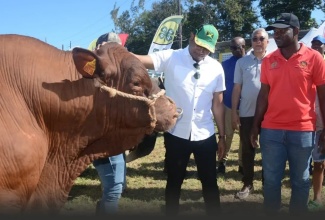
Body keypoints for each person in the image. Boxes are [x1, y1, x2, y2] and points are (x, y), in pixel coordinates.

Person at [133, 24, 226, 216]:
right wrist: (116, 52)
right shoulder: (171, 57)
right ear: (192, 36)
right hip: (176, 134)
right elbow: (141, 60)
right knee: (174, 181)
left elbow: (217, 105)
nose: (202, 51)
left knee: (210, 182)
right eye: (199, 45)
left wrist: (222, 136)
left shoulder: (216, 68)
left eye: (207, 48)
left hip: (205, 134)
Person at [250, 13, 325, 215]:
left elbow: (323, 95)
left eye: (284, 30)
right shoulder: (269, 60)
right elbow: (263, 96)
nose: (278, 34)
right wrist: (255, 125)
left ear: (297, 32)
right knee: (272, 180)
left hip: (303, 131)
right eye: (276, 30)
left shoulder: (314, 58)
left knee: (300, 181)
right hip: (271, 131)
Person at [92, 32, 127, 215]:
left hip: (115, 137)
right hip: (103, 137)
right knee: (114, 188)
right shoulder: (90, 71)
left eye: (117, 49)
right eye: (110, 49)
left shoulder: (119, 72)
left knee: (116, 185)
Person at [231, 28, 269, 200]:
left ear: (267, 41)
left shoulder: (275, 60)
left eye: (262, 38)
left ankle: (268, 183)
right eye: (255, 38)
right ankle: (248, 183)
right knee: (247, 150)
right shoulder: (242, 63)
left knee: (270, 150)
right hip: (246, 113)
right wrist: (234, 112)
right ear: (251, 42)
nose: (258, 41)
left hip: (270, 114)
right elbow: (236, 88)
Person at [218, 36, 246, 174]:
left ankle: (242, 164)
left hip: (246, 107)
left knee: (244, 138)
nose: (237, 50)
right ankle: (222, 162)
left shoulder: (250, 62)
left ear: (245, 46)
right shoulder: (225, 65)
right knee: (227, 134)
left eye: (240, 46)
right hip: (229, 105)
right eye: (234, 48)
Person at [308, 35, 325, 211]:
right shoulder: (305, 65)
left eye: (319, 45)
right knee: (302, 165)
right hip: (304, 123)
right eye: (313, 44)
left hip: (321, 123)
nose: (315, 47)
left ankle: (317, 198)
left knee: (319, 163)